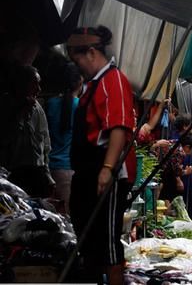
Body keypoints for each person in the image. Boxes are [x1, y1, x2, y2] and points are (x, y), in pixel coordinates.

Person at [67, 26, 136, 285]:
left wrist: (107, 169)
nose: (79, 67)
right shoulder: (93, 84)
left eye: (79, 60)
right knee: (89, 237)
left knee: (107, 242)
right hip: (88, 170)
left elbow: (118, 127)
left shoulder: (113, 80)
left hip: (107, 170)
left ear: (92, 52)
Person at [0, 65, 55, 197]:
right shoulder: (5, 106)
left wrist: (47, 175)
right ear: (22, 85)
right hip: (12, 176)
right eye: (34, 84)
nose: (39, 89)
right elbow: (4, 140)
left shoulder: (37, 108)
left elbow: (45, 145)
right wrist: (20, 113)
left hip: (36, 173)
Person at [46, 62, 83, 214]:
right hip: (69, 169)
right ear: (80, 81)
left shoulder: (50, 103)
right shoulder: (79, 105)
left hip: (50, 168)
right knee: (68, 218)